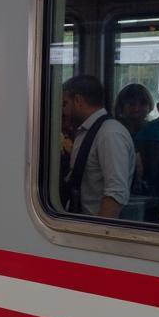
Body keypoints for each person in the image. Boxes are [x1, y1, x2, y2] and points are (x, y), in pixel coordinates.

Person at [61, 75, 135, 218]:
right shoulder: (86, 131)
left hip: (94, 224)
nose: (63, 111)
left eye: (65, 104)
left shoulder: (110, 134)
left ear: (78, 100)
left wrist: (99, 232)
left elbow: (116, 193)